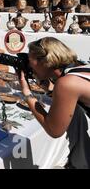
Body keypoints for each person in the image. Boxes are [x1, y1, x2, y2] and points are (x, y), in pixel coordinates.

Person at [19, 37, 90, 169]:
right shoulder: (79, 67)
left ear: (44, 61)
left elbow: (54, 130)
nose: (29, 66)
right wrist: (50, 88)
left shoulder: (66, 83)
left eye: (30, 61)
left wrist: (27, 94)